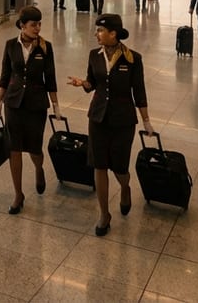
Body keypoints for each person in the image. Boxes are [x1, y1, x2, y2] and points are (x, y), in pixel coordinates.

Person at [66, 14, 151, 237]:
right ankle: (104, 214)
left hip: (123, 120)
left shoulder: (133, 59)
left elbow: (139, 91)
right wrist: (82, 83)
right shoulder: (94, 55)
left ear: (113, 33)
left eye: (100, 31)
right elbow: (92, 83)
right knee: (99, 165)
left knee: (120, 168)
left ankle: (125, 187)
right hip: (98, 118)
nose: (96, 34)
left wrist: (146, 121)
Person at [0, 6, 59, 215]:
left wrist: (56, 105)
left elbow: (50, 79)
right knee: (14, 148)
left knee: (34, 148)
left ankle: (39, 169)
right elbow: (5, 75)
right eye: (33, 25)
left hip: (36, 104)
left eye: (39, 24)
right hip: (13, 103)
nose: (37, 28)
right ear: (22, 26)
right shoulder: (10, 46)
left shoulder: (45, 48)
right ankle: (18, 194)